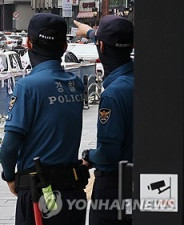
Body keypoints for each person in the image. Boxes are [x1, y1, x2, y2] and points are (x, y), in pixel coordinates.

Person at [0, 13, 89, 225]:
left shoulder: (28, 87)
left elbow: (10, 146)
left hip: (39, 193)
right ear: (65, 46)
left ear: (28, 42)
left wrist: (9, 175)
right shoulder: (75, 85)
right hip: (73, 191)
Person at [74, 16, 134, 225]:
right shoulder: (144, 81)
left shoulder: (114, 94)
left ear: (101, 46)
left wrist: (89, 156)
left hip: (114, 188)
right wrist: (90, 32)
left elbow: (108, 153)